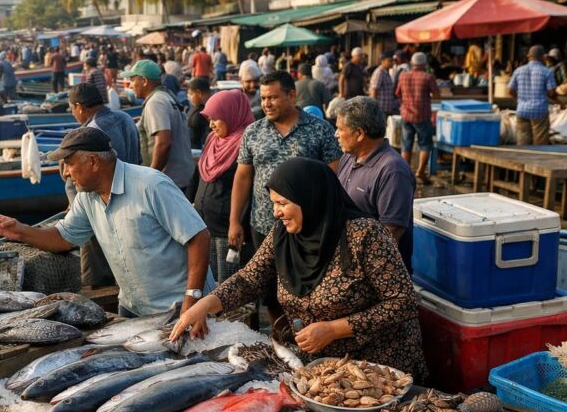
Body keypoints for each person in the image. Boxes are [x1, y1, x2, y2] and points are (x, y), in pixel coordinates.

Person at [171, 157, 428, 382]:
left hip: (376, 369)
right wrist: (204, 305)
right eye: (273, 203)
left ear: (309, 197)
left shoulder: (365, 235)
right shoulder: (283, 235)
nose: (276, 213)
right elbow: (250, 279)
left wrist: (334, 329)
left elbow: (403, 302)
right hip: (320, 369)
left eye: (282, 203)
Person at [0, 127, 213, 317]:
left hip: (179, 307)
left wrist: (192, 300)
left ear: (93, 161)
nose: (66, 173)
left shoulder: (151, 185)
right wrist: (20, 231)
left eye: (70, 164)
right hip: (134, 309)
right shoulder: (86, 197)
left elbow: (199, 237)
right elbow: (64, 238)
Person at [227, 70, 342, 323]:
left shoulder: (320, 130)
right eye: (263, 97)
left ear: (291, 95)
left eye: (273, 97)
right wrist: (235, 220)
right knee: (270, 291)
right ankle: (281, 338)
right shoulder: (253, 132)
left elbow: (334, 177)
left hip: (307, 231)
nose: (266, 104)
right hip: (264, 225)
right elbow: (243, 177)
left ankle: (310, 338)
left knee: (309, 289)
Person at [64, 83, 141, 287]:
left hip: (101, 201)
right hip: (131, 197)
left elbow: (85, 176)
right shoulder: (125, 118)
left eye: (72, 109)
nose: (73, 114)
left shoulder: (91, 132)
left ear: (80, 107)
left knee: (96, 269)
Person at [334, 97, 415, 272]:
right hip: (348, 263)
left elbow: (391, 233)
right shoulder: (349, 157)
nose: (336, 134)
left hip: (376, 273)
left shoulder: (393, 170)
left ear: (360, 133)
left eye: (340, 129)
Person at [194, 90, 254, 283]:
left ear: (232, 114)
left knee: (228, 284)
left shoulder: (246, 142)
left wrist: (237, 223)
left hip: (228, 229)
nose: (211, 125)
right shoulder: (213, 139)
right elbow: (199, 174)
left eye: (216, 119)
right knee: (210, 281)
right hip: (206, 224)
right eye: (209, 119)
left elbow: (248, 189)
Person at [120, 60, 195, 192]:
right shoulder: (165, 96)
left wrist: (151, 177)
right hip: (180, 177)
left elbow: (163, 143)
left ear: (144, 81)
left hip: (168, 180)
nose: (131, 85)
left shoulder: (155, 102)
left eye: (132, 80)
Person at [394, 52, 439, 183]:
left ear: (412, 64)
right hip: (422, 116)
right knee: (425, 145)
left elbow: (397, 94)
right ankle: (420, 172)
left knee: (406, 144)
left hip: (406, 114)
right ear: (424, 64)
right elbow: (437, 94)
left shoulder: (403, 76)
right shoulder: (428, 77)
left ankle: (405, 172)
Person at [509, 44, 557, 146]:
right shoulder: (547, 72)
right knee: (540, 144)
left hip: (522, 110)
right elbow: (551, 92)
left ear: (528, 56)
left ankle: (522, 161)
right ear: (543, 57)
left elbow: (510, 90)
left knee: (523, 142)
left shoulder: (518, 70)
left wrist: (520, 98)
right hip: (540, 110)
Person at [186, 77, 212, 150]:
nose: (189, 97)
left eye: (191, 94)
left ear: (198, 93)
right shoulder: (196, 107)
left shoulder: (207, 111)